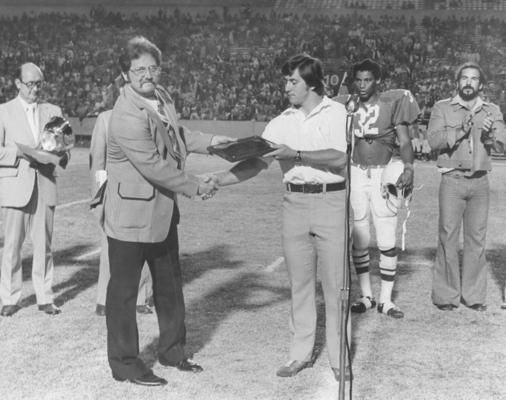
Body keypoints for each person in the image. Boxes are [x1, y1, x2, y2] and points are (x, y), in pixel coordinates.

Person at [209, 54, 350, 381]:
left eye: (292, 81)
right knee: (299, 285)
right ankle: (299, 354)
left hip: (332, 201)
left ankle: (339, 357)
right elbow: (256, 164)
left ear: (312, 84)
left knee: (334, 286)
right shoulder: (281, 121)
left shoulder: (337, 113)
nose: (285, 86)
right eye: (286, 80)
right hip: (294, 205)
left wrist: (296, 154)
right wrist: (220, 179)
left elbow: (341, 158)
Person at [102, 36, 232, 386]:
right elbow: (152, 165)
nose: (147, 75)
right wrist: (194, 186)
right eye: (139, 69)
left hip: (161, 212)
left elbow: (178, 134)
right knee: (124, 293)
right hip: (130, 218)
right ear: (125, 74)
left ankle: (173, 351)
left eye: (152, 67)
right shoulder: (126, 113)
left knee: (170, 287)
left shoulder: (161, 97)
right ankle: (125, 364)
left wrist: (215, 143)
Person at [343, 59, 419, 319]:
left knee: (386, 235)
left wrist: (408, 167)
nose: (363, 85)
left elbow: (405, 140)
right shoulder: (349, 105)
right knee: (360, 235)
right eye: (359, 80)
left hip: (381, 172)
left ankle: (386, 300)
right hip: (356, 171)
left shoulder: (392, 103)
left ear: (377, 81)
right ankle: (366, 295)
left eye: (368, 80)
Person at [427, 61, 505, 312]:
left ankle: (473, 296)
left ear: (480, 84)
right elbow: (434, 142)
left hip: (480, 182)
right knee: (448, 237)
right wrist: (461, 129)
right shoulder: (442, 108)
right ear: (457, 82)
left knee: (476, 239)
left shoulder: (492, 110)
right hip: (452, 180)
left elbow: (502, 146)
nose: (468, 82)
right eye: (464, 78)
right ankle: (447, 296)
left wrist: (491, 134)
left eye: (473, 79)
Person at [0, 62, 68, 317]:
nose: (35, 89)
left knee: (44, 246)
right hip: (16, 186)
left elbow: (61, 148)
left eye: (39, 83)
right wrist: (20, 152)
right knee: (12, 246)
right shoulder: (3, 112)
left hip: (45, 184)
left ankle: (45, 296)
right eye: (30, 84)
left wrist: (59, 153)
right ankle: (10, 297)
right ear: (17, 84)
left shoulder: (53, 110)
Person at [90, 68, 152, 317]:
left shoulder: (149, 116)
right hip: (114, 195)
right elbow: (98, 163)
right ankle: (104, 299)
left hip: (146, 193)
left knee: (145, 246)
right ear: (119, 90)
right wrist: (98, 197)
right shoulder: (105, 118)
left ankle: (141, 298)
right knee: (110, 247)